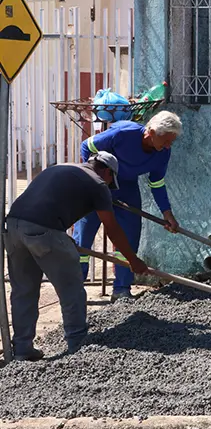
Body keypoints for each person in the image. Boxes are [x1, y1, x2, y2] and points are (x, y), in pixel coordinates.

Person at [4, 152, 149, 361]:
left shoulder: (60, 168)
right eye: (111, 181)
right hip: (45, 230)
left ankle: (22, 348)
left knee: (23, 291)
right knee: (71, 289)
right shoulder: (98, 183)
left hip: (14, 227)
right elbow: (112, 228)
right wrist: (132, 260)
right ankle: (78, 346)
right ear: (108, 172)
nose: (109, 185)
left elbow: (47, 203)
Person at [73, 111, 182, 302]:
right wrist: (95, 181)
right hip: (99, 184)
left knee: (129, 236)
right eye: (166, 140)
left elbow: (156, 182)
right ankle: (74, 288)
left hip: (126, 188)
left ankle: (121, 289)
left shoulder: (162, 153)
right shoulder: (123, 134)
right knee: (84, 238)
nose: (168, 146)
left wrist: (167, 213)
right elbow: (87, 146)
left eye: (171, 142)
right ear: (152, 132)